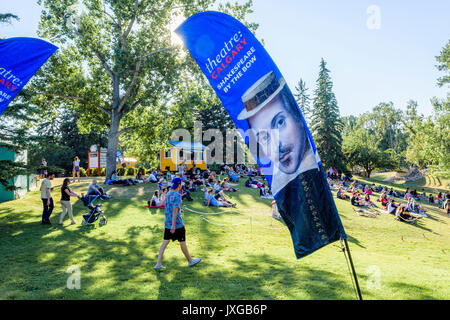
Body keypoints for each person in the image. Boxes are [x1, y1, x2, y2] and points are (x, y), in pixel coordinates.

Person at [154, 177, 201, 270]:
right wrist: (173, 225)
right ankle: (190, 261)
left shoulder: (168, 194)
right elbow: (175, 209)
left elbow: (164, 205)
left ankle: (158, 264)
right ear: (179, 185)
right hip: (176, 224)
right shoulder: (177, 195)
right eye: (181, 185)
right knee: (182, 241)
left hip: (167, 222)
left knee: (164, 243)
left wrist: (179, 210)